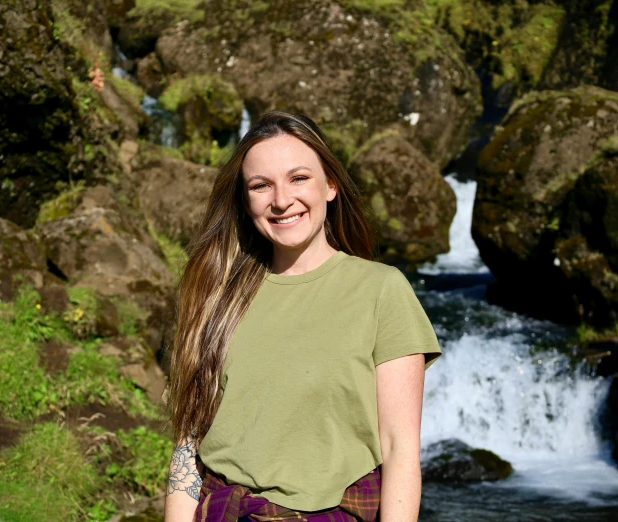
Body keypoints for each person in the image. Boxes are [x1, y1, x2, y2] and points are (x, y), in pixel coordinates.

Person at [163, 110, 442, 522]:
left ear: (330, 184)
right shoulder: (215, 294)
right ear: (245, 199)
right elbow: (188, 444)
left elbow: (401, 449)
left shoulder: (382, 291)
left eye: (298, 178)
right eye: (261, 185)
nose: (281, 200)